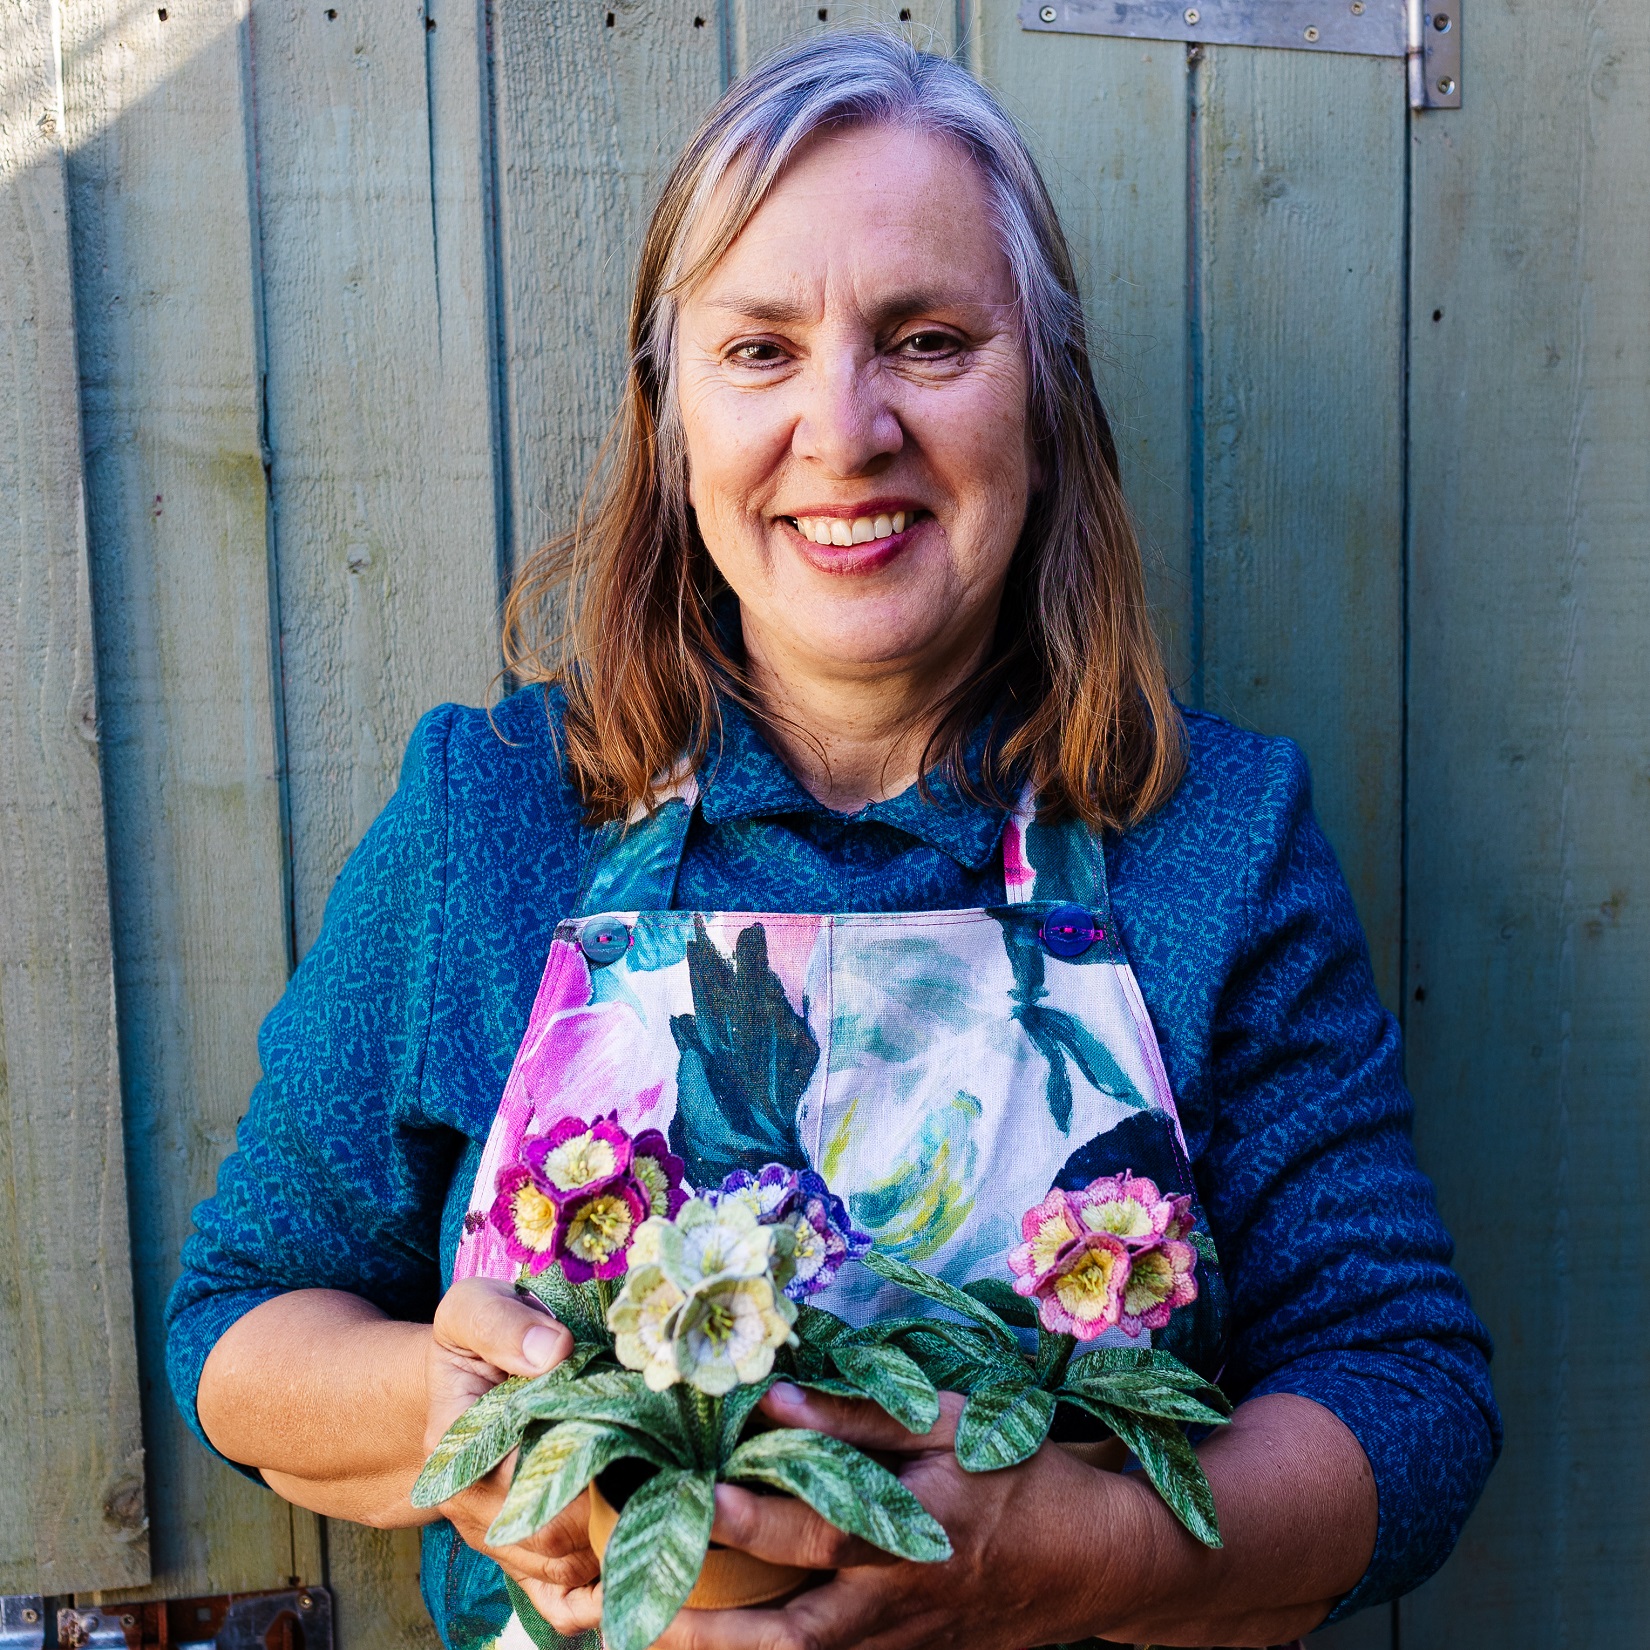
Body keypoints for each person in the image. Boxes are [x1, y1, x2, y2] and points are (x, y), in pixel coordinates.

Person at [168, 32, 1498, 1650]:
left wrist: (1089, 1550)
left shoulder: (1208, 834)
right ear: (668, 416)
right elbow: (242, 1321)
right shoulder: (491, 811)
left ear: (1045, 394)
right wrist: (473, 1425)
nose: (842, 428)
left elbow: (1407, 1399)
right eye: (758, 352)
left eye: (926, 341)